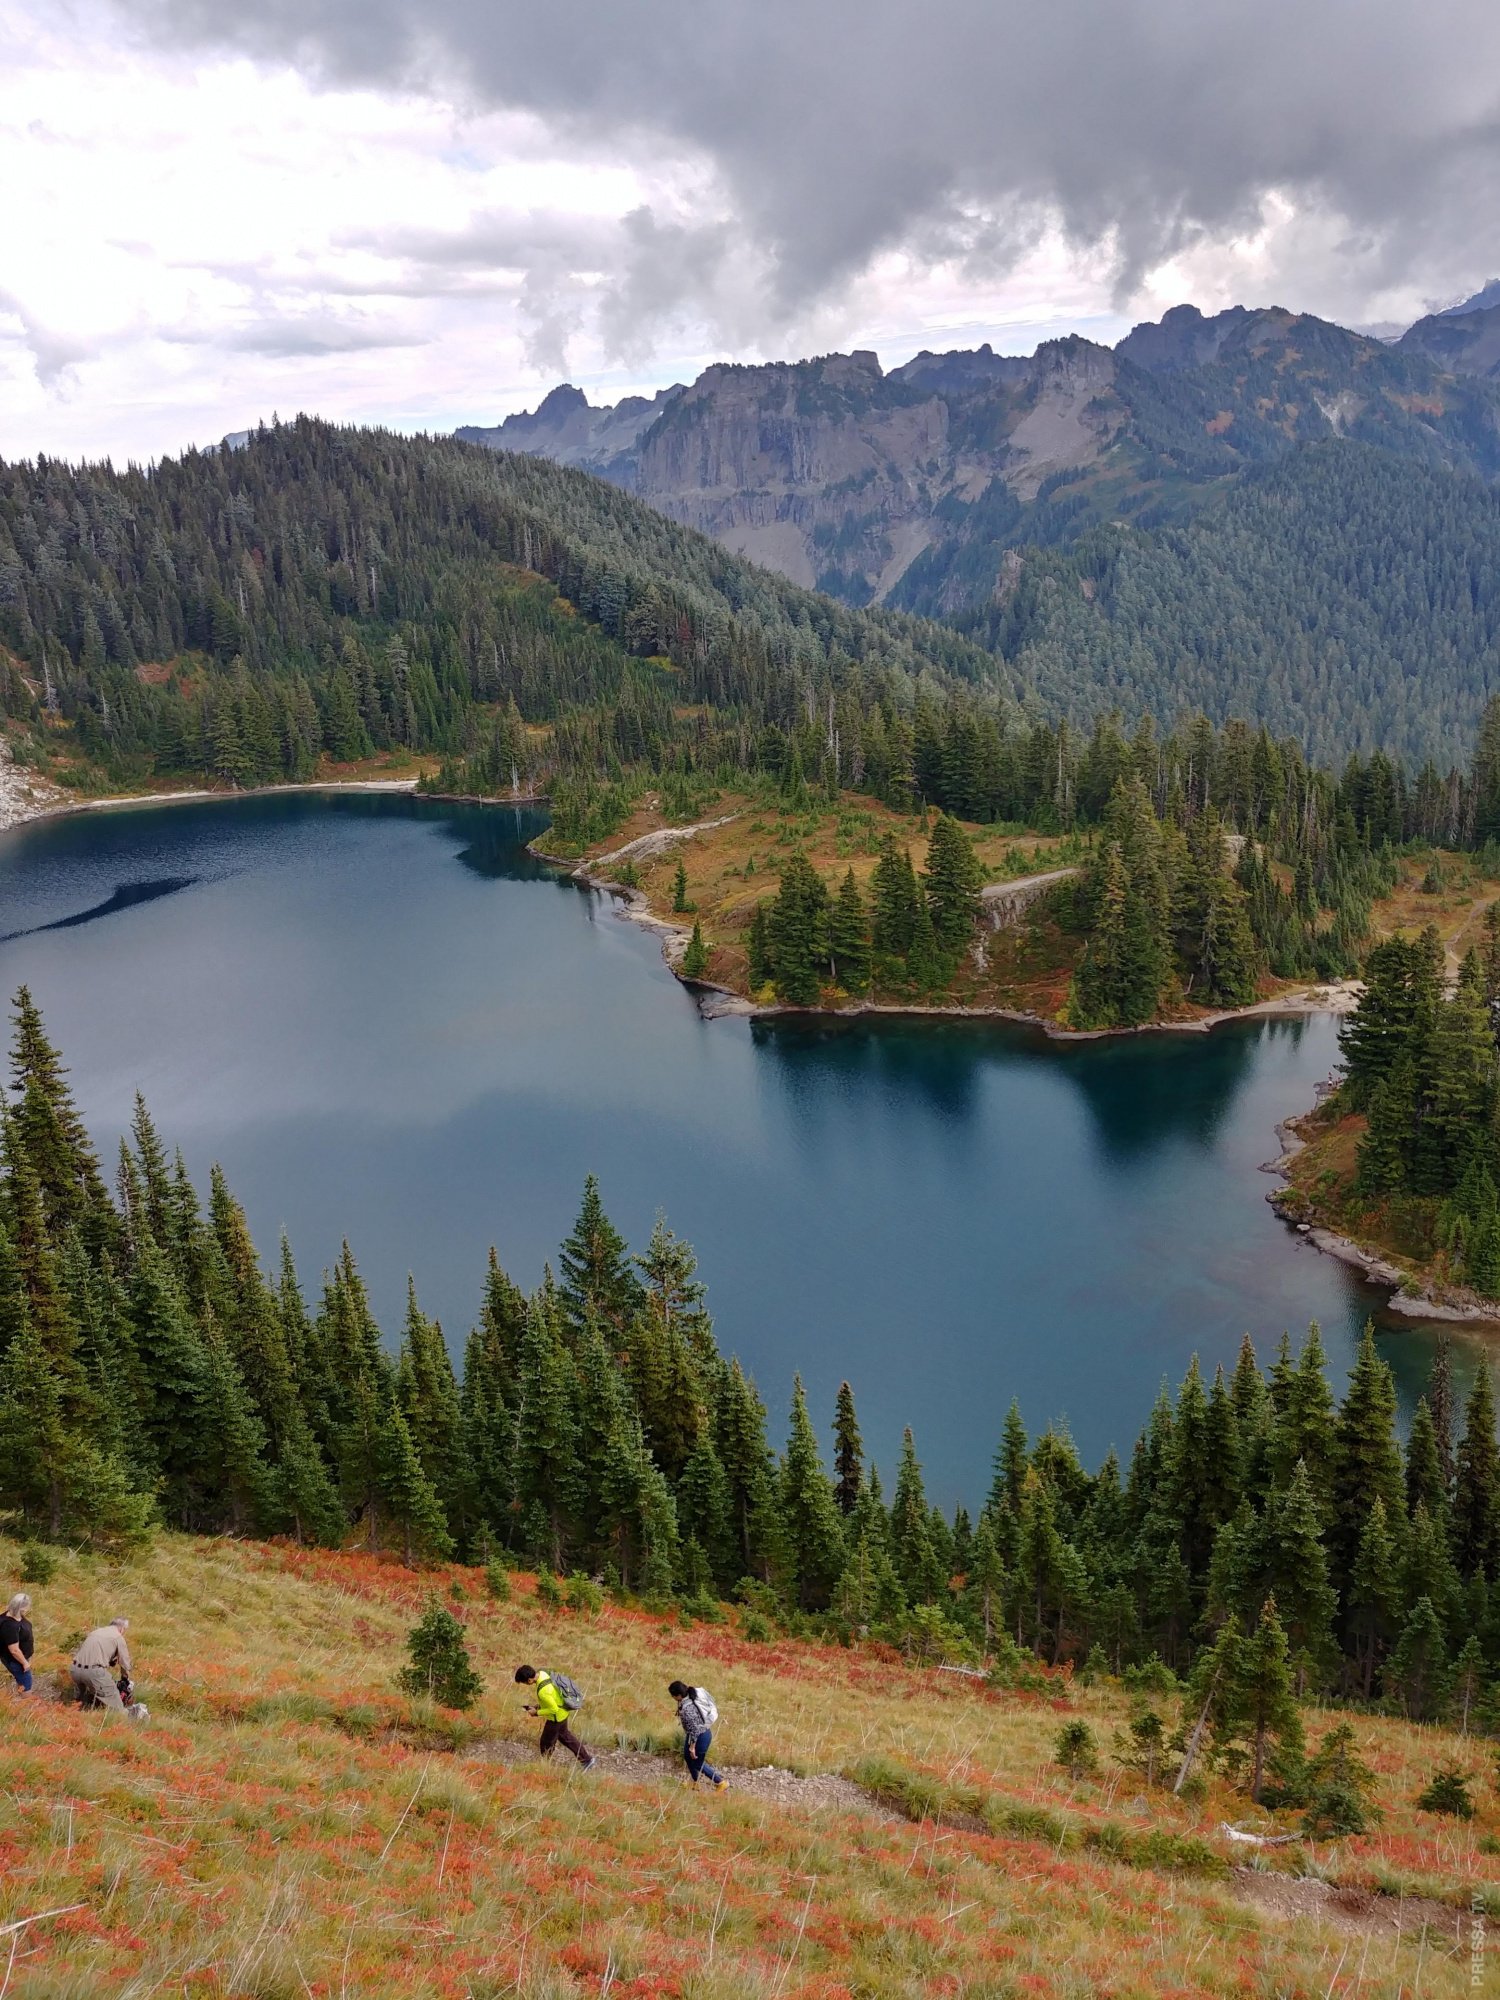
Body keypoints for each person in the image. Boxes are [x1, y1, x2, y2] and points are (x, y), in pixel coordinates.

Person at [514, 1664, 595, 1769]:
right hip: (563, 1712)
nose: (525, 1684)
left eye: (524, 1682)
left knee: (546, 1743)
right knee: (566, 1738)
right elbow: (553, 1698)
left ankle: (545, 1766)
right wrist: (538, 1707)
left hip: (555, 1718)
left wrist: (536, 1713)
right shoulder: (543, 1674)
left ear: (529, 1680)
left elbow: (553, 1709)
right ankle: (587, 1760)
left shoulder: (543, 1691)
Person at [668, 1679, 727, 1791]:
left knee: (697, 1763)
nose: (673, 1698)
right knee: (687, 1756)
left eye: (673, 1696)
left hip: (700, 1736)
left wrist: (692, 1747)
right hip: (695, 1735)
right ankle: (695, 1783)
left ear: (679, 1695)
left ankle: (720, 1782)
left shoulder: (687, 1709)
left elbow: (695, 1729)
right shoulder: (689, 1697)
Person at [70, 1617, 133, 1712]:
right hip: (93, 1672)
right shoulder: (117, 1637)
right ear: (122, 1629)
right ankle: (122, 1719)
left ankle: (76, 1712)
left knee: (80, 1702)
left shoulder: (95, 1632)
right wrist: (125, 1678)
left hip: (74, 1670)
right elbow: (124, 1663)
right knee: (115, 1701)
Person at [1, 1593, 34, 1694]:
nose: (27, 1609)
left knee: (21, 1681)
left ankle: (20, 1691)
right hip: (16, 1661)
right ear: (21, 1608)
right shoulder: (10, 1626)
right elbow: (14, 1650)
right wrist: (24, 1663)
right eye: (26, 1607)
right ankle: (26, 1704)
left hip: (16, 1658)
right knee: (26, 1685)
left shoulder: (12, 1615)